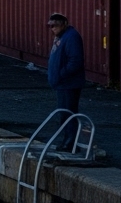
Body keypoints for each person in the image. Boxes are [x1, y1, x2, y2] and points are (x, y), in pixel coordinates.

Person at [48, 12, 85, 146]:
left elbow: (75, 61)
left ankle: (70, 142)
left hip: (69, 84)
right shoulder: (61, 37)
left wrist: (61, 74)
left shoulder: (71, 37)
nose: (53, 28)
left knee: (68, 113)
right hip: (62, 83)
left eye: (56, 25)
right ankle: (67, 140)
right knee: (64, 113)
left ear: (64, 24)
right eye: (50, 26)